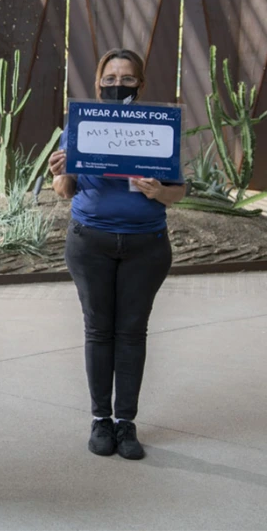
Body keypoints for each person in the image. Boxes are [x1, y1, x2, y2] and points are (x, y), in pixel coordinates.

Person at [48, 48, 185, 461]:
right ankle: (99, 421)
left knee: (131, 332)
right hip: (91, 242)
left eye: (126, 79)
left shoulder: (159, 127)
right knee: (97, 330)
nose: (117, 85)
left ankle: (126, 423)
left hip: (146, 244)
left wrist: (158, 191)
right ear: (98, 82)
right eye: (110, 79)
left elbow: (178, 191)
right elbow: (65, 190)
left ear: (140, 85)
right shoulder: (80, 124)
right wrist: (61, 173)